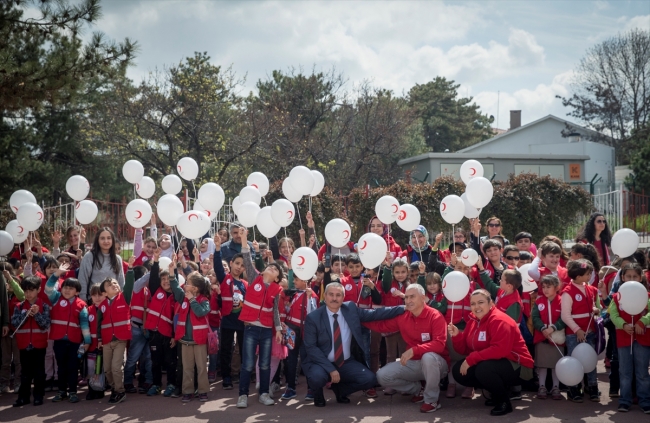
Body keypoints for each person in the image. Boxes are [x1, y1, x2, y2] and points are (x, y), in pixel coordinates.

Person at [301, 282, 405, 407]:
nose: (334, 298)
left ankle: (340, 391)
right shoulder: (313, 317)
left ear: (343, 297)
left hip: (345, 361)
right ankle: (317, 395)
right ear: (325, 296)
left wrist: (402, 308)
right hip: (321, 362)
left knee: (369, 379)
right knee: (317, 378)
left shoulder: (350, 309)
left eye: (338, 295)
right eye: (331, 295)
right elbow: (311, 348)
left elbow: (375, 314)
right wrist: (331, 369)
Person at [448, 289, 534, 416]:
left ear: (491, 304)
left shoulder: (499, 320)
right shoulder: (473, 321)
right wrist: (457, 336)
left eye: (481, 302)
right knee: (458, 370)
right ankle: (496, 393)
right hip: (497, 363)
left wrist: (471, 359)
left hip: (520, 367)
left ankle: (504, 402)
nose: (476, 307)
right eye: (473, 304)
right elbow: (465, 350)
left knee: (483, 369)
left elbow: (500, 349)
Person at [364, 284, 449, 413]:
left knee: (428, 357)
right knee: (382, 376)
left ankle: (431, 399)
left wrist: (415, 350)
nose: (408, 300)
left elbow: (439, 344)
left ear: (422, 298)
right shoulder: (403, 317)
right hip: (414, 363)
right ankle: (418, 390)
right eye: (406, 297)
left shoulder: (435, 316)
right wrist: (358, 318)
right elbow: (382, 326)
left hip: (437, 365)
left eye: (412, 297)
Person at [236, 234, 284, 409]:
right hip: (250, 329)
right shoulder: (253, 276)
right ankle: (242, 396)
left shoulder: (276, 289)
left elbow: (276, 311)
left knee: (264, 364)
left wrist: (278, 329)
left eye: (275, 269)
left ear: (277, 278)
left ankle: (264, 393)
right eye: (270, 266)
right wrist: (244, 238)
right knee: (247, 364)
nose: (272, 268)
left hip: (266, 331)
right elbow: (247, 258)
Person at [45, 264, 91, 404]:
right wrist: (56, 274)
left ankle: (72, 392)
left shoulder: (82, 305)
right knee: (61, 367)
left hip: (74, 342)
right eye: (65, 287)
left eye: (71, 288)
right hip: (58, 340)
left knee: (73, 367)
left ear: (77, 292)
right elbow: (48, 288)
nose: (67, 290)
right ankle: (61, 392)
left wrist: (87, 341)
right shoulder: (56, 298)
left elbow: (84, 325)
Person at [561, 259, 602, 403]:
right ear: (578, 276)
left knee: (590, 360)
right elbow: (565, 315)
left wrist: (596, 310)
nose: (590, 275)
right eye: (588, 273)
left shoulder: (591, 289)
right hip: (574, 334)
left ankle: (592, 387)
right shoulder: (567, 292)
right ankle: (573, 388)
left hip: (590, 332)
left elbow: (597, 307)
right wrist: (577, 330)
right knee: (574, 361)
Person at [172, 265, 212, 403]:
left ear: (195, 288)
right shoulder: (183, 298)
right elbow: (176, 289)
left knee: (201, 367)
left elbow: (201, 312)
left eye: (188, 283)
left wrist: (192, 300)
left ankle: (202, 391)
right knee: (187, 368)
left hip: (199, 341)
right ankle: (187, 391)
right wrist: (172, 273)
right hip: (185, 340)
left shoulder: (204, 300)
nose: (185, 285)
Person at [96, 272, 136, 405]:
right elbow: (99, 324)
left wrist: (130, 270)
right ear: (105, 293)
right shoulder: (101, 306)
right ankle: (114, 388)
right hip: (107, 341)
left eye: (115, 283)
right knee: (107, 369)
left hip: (120, 340)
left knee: (116, 367)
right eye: (109, 284)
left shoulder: (124, 297)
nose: (114, 285)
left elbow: (129, 284)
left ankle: (120, 391)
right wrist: (100, 340)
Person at [12, 276, 51, 407]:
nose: (28, 294)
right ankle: (23, 397)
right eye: (26, 291)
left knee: (39, 372)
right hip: (24, 345)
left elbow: (45, 324)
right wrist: (25, 314)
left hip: (39, 344)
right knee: (25, 372)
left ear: (38, 290)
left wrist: (37, 314)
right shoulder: (19, 306)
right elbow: (15, 323)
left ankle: (38, 396)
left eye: (31, 290)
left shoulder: (44, 306)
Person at [531, 275, 565, 400]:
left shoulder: (562, 301)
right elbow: (535, 317)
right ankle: (542, 386)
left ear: (556, 288)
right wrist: (542, 328)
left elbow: (564, 318)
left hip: (557, 338)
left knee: (556, 364)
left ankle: (556, 387)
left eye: (548, 287)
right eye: (543, 287)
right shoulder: (539, 301)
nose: (545, 289)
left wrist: (554, 328)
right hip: (542, 337)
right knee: (542, 364)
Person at [78, 228, 125, 302]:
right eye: (102, 238)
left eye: (109, 238)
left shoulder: (117, 258)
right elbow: (82, 279)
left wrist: (121, 300)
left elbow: (121, 281)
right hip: (95, 301)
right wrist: (83, 300)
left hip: (113, 302)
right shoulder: (90, 256)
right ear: (97, 240)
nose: (106, 241)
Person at [1, 267, 23, 394]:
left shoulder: (19, 298)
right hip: (5, 332)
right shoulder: (4, 298)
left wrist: (10, 278)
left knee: (18, 360)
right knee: (5, 360)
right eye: (7, 282)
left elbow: (22, 294)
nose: (8, 284)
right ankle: (4, 383)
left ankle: (18, 382)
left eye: (12, 283)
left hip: (17, 332)